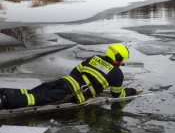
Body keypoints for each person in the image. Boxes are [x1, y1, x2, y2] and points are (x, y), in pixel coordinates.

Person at [0, 43, 138, 110]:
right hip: (72, 93)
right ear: (119, 58)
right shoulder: (116, 73)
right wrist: (131, 91)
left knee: (35, 91)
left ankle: (4, 91)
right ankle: (4, 101)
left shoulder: (94, 58)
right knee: (37, 98)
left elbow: (75, 70)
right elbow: (117, 95)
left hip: (65, 81)